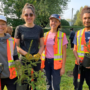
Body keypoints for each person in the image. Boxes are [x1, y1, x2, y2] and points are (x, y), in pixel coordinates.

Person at [14, 3, 44, 90]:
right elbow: (16, 46)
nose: (29, 17)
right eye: (26, 15)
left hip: (36, 60)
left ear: (34, 15)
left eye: (31, 14)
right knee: (25, 84)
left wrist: (38, 54)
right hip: (24, 60)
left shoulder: (39, 29)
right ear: (23, 16)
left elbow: (42, 45)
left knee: (35, 83)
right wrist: (25, 54)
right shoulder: (19, 28)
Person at [41, 14, 68, 90]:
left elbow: (64, 53)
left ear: (59, 23)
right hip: (46, 63)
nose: (53, 23)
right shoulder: (45, 35)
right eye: (52, 21)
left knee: (55, 85)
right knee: (48, 84)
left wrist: (63, 67)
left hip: (56, 64)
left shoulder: (62, 35)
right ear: (50, 22)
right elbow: (42, 49)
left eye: (56, 21)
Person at [73, 6, 90, 90]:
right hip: (79, 66)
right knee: (77, 86)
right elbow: (74, 49)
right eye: (85, 18)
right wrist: (77, 58)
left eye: (89, 18)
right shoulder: (78, 33)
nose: (87, 20)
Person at [0, 15, 19, 90]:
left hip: (11, 76)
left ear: (6, 25)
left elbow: (15, 57)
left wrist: (20, 69)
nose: (1, 26)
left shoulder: (11, 40)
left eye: (3, 24)